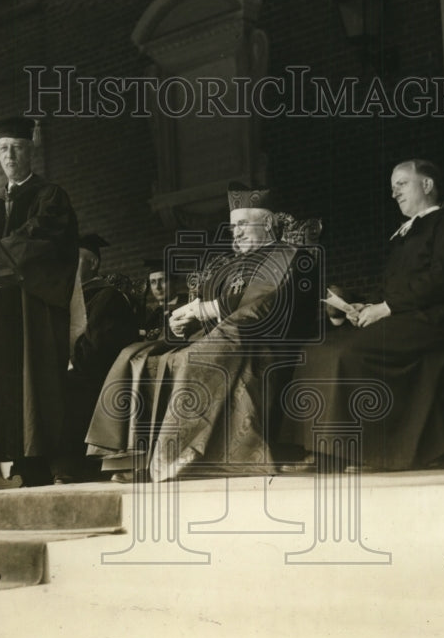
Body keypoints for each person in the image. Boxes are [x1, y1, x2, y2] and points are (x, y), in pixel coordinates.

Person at [87, 183, 319, 482]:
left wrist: (204, 311)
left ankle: (184, 456)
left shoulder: (288, 256)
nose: (235, 232)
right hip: (231, 337)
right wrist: (185, 322)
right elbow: (209, 308)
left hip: (267, 344)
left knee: (194, 359)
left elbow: (263, 307)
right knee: (140, 356)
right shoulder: (232, 265)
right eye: (233, 226)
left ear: (268, 223)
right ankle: (134, 455)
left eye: (243, 224)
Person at [281, 159, 444, 472]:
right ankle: (322, 451)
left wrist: (386, 309)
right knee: (315, 349)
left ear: (426, 185)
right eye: (392, 187)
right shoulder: (405, 233)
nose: (394, 193)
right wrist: (365, 306)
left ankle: (366, 452)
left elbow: (443, 281)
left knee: (348, 351)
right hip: (404, 316)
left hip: (436, 320)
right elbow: (392, 288)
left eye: (401, 184)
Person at [0, 116, 79, 487]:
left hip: (33, 304)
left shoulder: (51, 196)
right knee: (1, 384)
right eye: (3, 149)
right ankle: (17, 464)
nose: (9, 154)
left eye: (16, 147)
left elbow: (42, 240)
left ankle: (54, 463)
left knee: (39, 382)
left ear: (30, 150)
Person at [59, 234, 139, 483]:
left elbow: (96, 353)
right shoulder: (70, 299)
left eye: (75, 259)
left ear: (92, 263)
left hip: (99, 380)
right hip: (78, 373)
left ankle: (73, 470)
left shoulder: (108, 297)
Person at [139, 258, 186, 340]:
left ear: (174, 281)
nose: (158, 287)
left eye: (162, 281)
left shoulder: (188, 304)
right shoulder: (150, 314)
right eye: (153, 282)